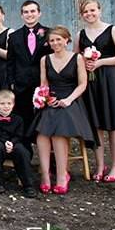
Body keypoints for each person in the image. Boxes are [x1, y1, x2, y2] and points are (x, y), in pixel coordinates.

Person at [34, 27, 95, 195]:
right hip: (52, 101)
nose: (55, 43)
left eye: (58, 39)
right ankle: (46, 176)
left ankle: (62, 176)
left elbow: (82, 84)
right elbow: (44, 84)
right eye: (52, 40)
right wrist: (46, 98)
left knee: (58, 132)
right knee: (42, 134)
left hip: (71, 102)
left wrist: (68, 100)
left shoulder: (77, 58)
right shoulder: (45, 59)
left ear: (67, 40)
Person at [78, 0, 115, 183]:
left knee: (113, 123)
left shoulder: (112, 30)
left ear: (99, 11)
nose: (89, 14)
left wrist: (101, 62)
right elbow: (77, 57)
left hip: (109, 79)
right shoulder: (81, 34)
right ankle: (100, 165)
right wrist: (84, 63)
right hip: (91, 82)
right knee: (96, 125)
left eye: (92, 10)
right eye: (85, 11)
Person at [7, 0, 51, 138]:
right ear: (21, 15)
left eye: (32, 11)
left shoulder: (50, 33)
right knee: (24, 120)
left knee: (45, 120)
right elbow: (10, 62)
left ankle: (50, 156)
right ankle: (26, 155)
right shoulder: (14, 37)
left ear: (39, 13)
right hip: (21, 85)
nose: (29, 14)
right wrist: (12, 82)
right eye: (26, 12)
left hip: (43, 84)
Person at [0, 90, 36, 198]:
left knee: (22, 151)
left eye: (9, 103)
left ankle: (28, 185)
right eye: (2, 103)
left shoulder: (18, 119)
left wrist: (11, 143)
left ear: (13, 105)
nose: (6, 106)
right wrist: (5, 143)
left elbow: (20, 135)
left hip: (15, 143)